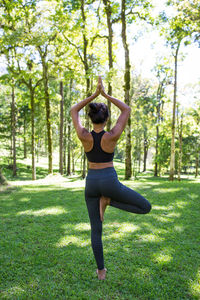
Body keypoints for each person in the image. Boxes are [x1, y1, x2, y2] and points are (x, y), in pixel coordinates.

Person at [70, 76, 151, 280]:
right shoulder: (112, 135)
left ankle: (101, 271)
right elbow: (126, 110)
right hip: (109, 180)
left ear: (91, 119)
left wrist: (93, 96)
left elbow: (73, 111)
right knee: (145, 207)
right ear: (106, 119)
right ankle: (110, 200)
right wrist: (105, 95)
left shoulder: (83, 135)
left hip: (91, 183)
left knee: (96, 230)